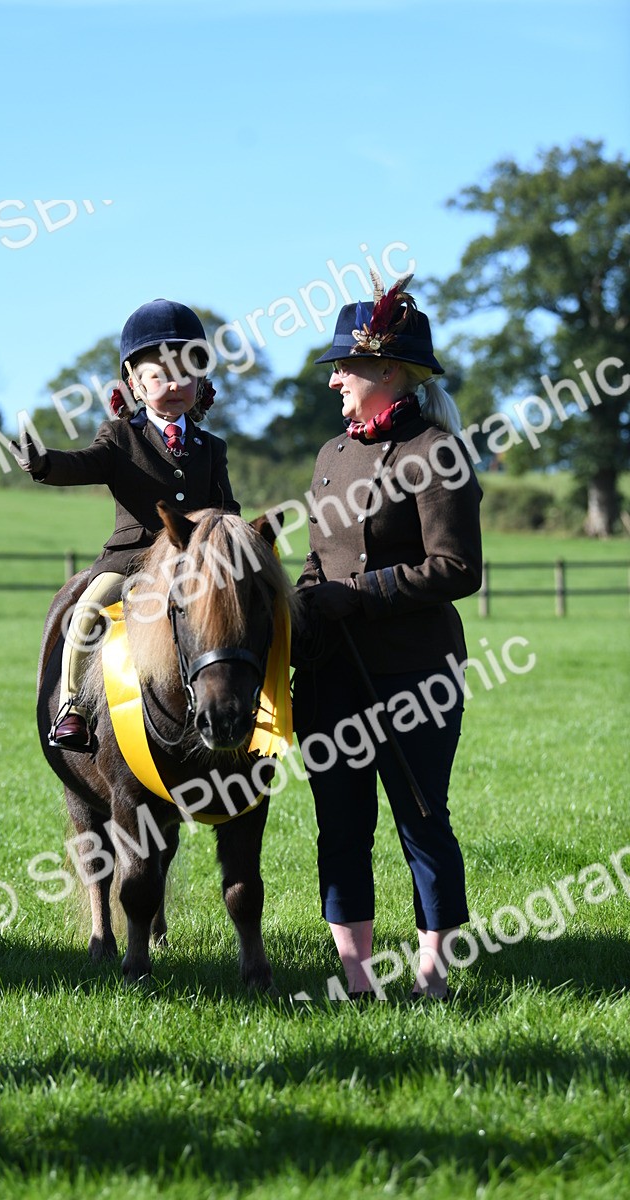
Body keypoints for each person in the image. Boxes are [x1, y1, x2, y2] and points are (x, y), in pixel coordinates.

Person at [292, 273, 482, 1001]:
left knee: (422, 823)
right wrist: (307, 605)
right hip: (332, 676)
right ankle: (356, 981)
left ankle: (434, 978)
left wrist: (361, 595)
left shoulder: (438, 450)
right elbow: (316, 560)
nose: (336, 378)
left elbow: (458, 568)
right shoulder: (330, 456)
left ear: (388, 370)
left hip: (415, 676)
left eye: (347, 365)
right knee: (340, 829)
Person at [10, 298, 240, 751]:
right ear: (134, 381)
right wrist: (43, 463)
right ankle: (73, 706)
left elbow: (225, 507)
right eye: (158, 374)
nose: (173, 384)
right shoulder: (120, 436)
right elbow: (83, 464)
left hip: (195, 562)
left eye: (185, 373)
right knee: (88, 611)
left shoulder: (212, 447)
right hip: (131, 561)